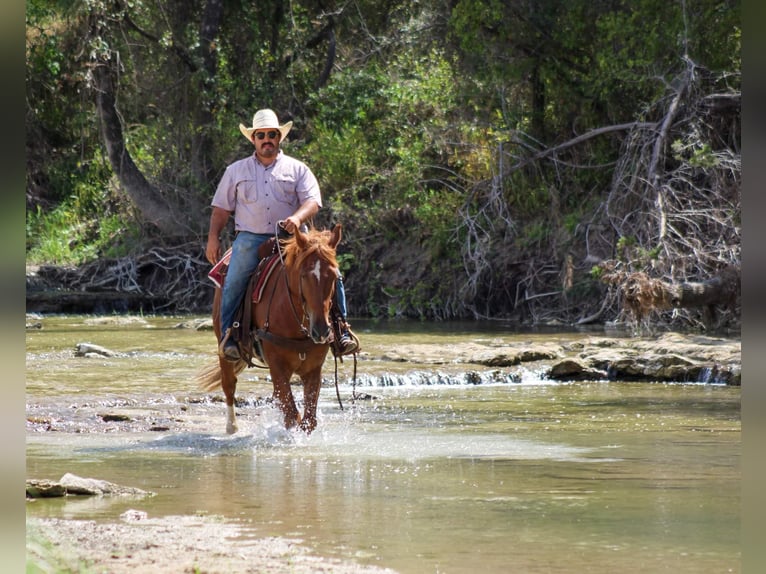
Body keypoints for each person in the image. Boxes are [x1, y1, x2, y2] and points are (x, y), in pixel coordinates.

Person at [205, 108, 357, 361]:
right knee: (235, 276)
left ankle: (341, 330)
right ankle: (230, 335)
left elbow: (312, 201)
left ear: (279, 137)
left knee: (333, 273)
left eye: (272, 134)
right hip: (251, 237)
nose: (267, 139)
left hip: (295, 237)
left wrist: (296, 218)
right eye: (261, 135)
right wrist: (213, 238)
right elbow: (221, 209)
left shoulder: (297, 169)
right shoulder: (236, 171)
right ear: (253, 139)